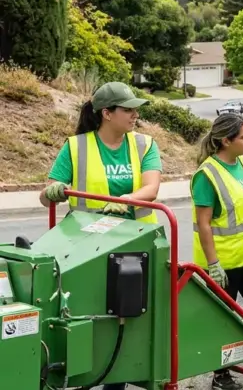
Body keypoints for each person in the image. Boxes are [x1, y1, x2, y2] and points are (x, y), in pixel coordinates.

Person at [39, 82, 163, 390]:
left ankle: (115, 382)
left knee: (127, 321)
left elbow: (151, 189)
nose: (135, 115)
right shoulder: (76, 146)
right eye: (128, 109)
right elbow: (49, 195)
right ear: (106, 113)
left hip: (135, 245)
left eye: (136, 109)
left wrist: (124, 203)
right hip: (87, 248)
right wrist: (51, 192)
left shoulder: (145, 145)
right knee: (91, 318)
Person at [191, 113, 243, 390]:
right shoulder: (207, 175)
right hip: (224, 263)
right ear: (225, 141)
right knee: (224, 321)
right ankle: (221, 375)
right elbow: (204, 224)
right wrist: (213, 263)